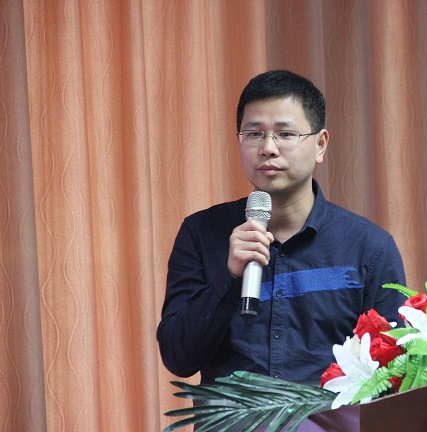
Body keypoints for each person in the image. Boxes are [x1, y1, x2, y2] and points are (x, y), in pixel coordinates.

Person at [157, 70, 406, 386]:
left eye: (285, 134)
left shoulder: (369, 248)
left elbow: (394, 369)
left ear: (320, 145)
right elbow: (178, 358)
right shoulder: (201, 234)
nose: (268, 148)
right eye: (254, 134)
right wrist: (228, 277)